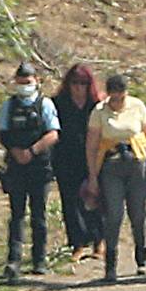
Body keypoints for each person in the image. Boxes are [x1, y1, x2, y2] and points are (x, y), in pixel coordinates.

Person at [85, 74, 146, 282]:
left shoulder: (137, 106)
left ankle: (142, 259)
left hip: (136, 163)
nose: (116, 103)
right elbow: (91, 145)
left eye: (120, 98)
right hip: (111, 166)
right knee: (114, 215)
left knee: (138, 213)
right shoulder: (99, 112)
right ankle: (110, 264)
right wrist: (92, 176)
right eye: (113, 98)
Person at [0, 62, 60, 280]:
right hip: (15, 167)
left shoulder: (45, 104)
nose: (25, 86)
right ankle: (13, 260)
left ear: (37, 81)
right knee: (16, 216)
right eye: (21, 82)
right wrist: (16, 151)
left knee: (39, 215)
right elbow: (3, 133)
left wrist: (32, 151)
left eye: (28, 82)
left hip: (40, 167)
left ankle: (39, 260)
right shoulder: (9, 106)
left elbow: (53, 134)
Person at [51, 63, 105, 263]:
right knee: (70, 201)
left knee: (95, 199)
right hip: (65, 159)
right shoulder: (58, 103)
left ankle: (99, 240)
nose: (78, 87)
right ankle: (78, 243)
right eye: (74, 83)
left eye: (83, 83)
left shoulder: (96, 105)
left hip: (92, 158)